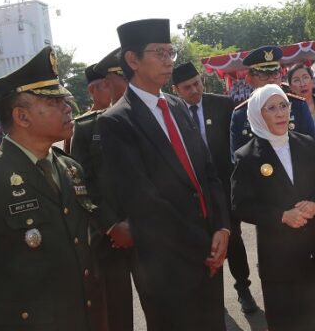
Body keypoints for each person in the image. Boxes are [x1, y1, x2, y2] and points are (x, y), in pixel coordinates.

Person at [0, 46, 106, 331]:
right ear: (22, 117)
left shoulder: (70, 169)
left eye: (64, 99)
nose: (67, 107)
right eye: (53, 103)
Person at [97, 18, 230, 330]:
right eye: (160, 53)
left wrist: (222, 228)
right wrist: (203, 247)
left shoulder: (178, 106)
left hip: (211, 251)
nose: (169, 60)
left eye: (170, 52)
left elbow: (209, 172)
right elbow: (144, 201)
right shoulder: (117, 122)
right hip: (168, 262)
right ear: (132, 60)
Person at [231, 84, 315, 331]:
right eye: (271, 108)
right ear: (258, 114)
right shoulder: (247, 156)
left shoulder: (306, 143)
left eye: (283, 106)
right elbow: (240, 205)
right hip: (279, 262)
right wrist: (281, 216)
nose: (280, 113)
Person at [171, 62, 260, 314]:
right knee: (201, 243)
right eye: (187, 87)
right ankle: (212, 299)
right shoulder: (171, 111)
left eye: (197, 83)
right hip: (192, 191)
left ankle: (243, 290)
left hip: (225, 186)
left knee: (233, 239)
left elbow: (237, 146)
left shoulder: (223, 105)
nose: (194, 90)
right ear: (175, 89)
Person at [71, 51, 134, 331]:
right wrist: (111, 226)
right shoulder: (84, 128)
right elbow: (81, 185)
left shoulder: (147, 118)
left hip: (151, 230)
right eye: (113, 80)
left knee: (166, 306)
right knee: (117, 313)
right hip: (109, 238)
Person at [230, 46, 315, 154]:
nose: (271, 79)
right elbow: (238, 160)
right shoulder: (240, 115)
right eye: (263, 74)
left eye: (275, 73)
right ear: (249, 79)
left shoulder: (298, 105)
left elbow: (311, 147)